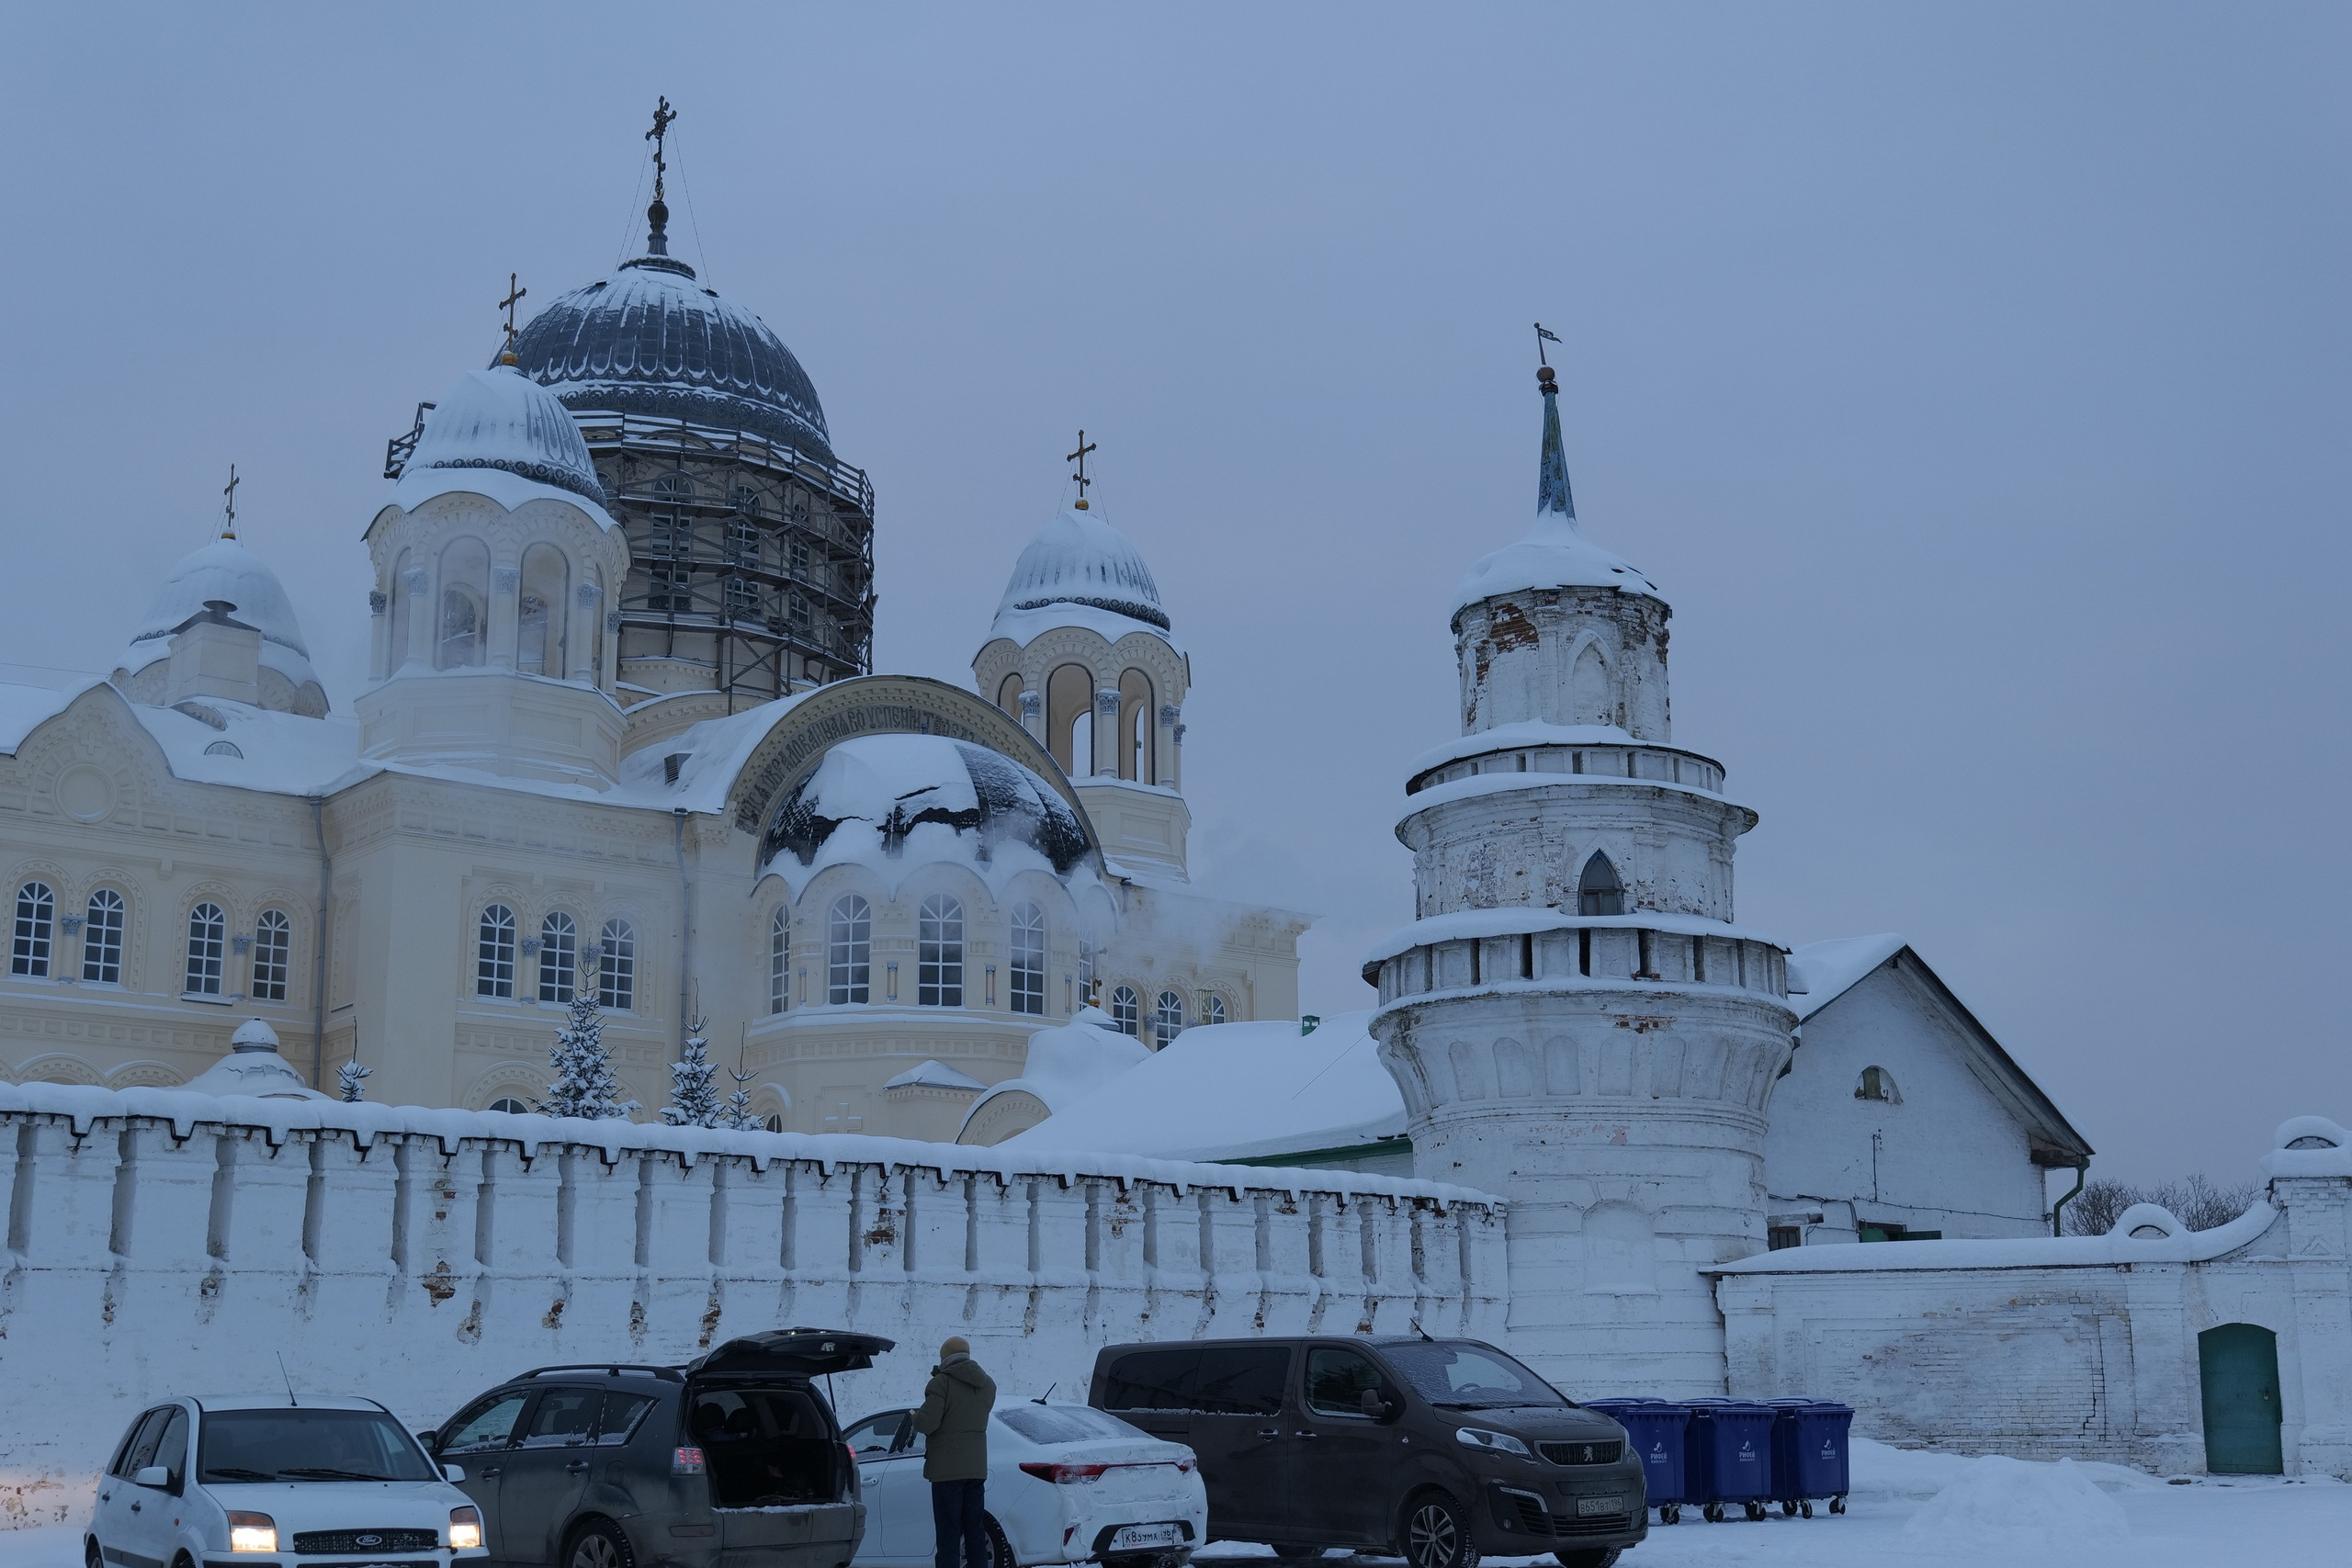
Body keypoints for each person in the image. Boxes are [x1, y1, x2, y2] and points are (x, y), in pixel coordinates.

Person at [911, 1336, 997, 1568]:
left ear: (945, 1358)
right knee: (974, 1530)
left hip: (947, 1471)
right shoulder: (988, 1384)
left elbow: (927, 1423)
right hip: (976, 1469)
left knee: (948, 1533)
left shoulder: (941, 1383)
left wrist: (915, 1416)